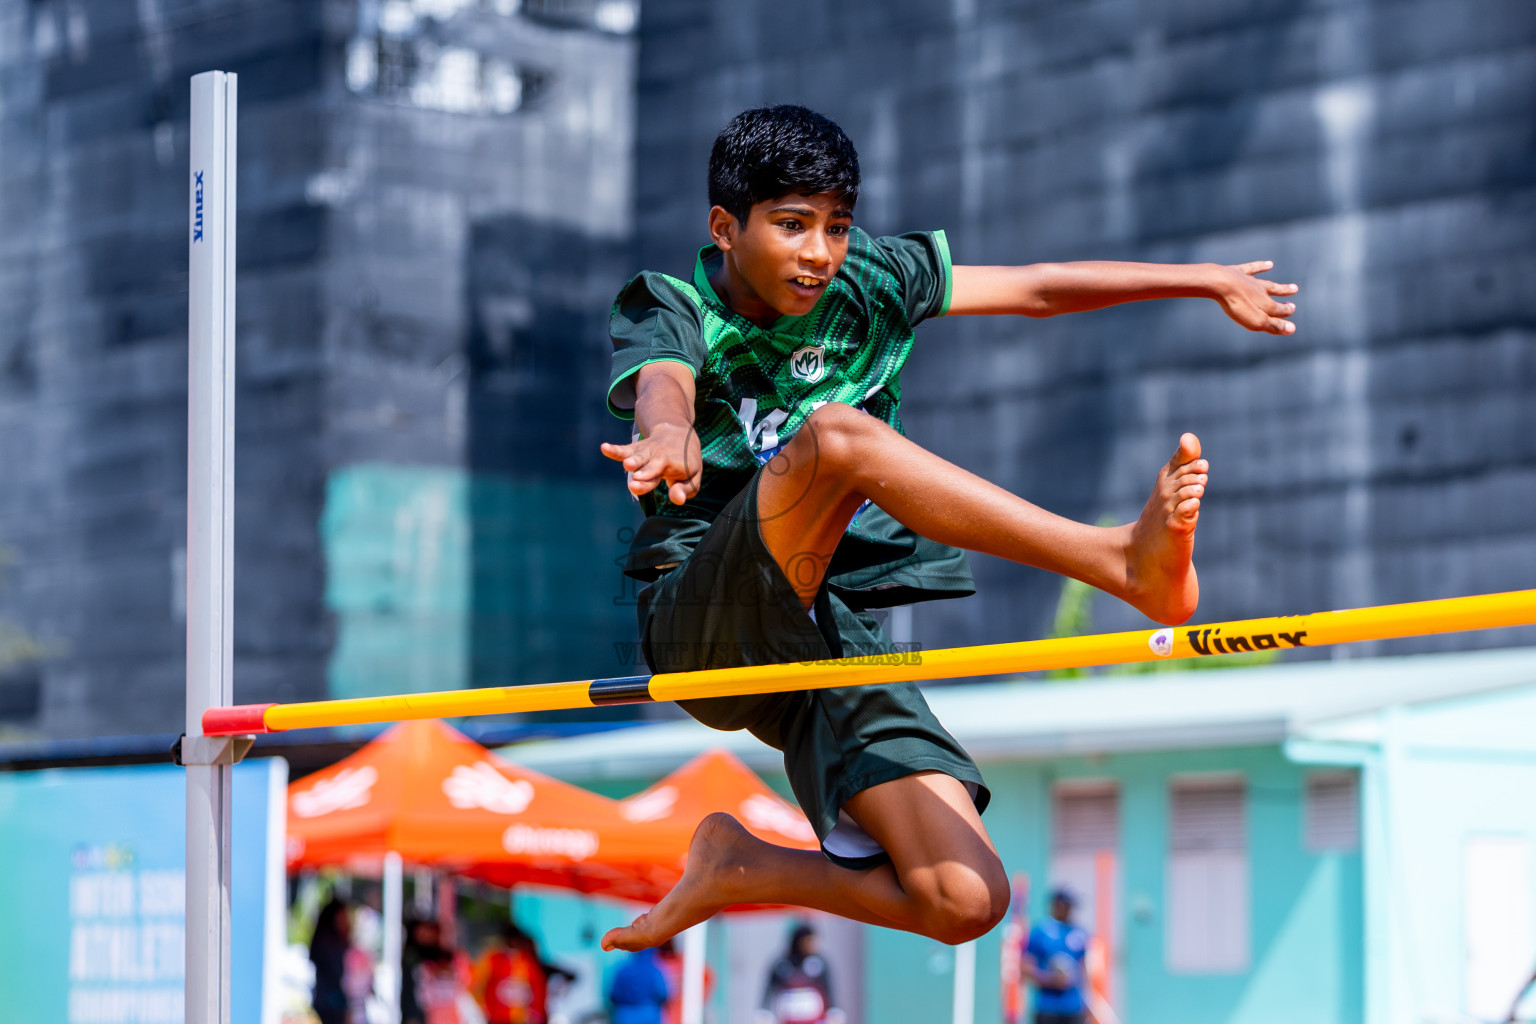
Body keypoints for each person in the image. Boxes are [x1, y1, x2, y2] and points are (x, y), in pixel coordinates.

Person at [598, 105, 1298, 952]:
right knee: (839, 436)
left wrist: (1203, 279)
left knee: (965, 897)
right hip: (707, 624)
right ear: (725, 226)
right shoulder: (673, 306)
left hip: (825, 639)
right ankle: (1114, 560)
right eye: (791, 227)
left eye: (837, 227)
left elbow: (1037, 288)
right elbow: (664, 383)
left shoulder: (874, 282)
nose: (820, 254)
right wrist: (666, 431)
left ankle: (743, 866)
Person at [1024, 888, 1089, 1024]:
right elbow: (1026, 968)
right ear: (1057, 905)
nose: (1070, 909)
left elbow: (1083, 970)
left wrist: (1087, 1002)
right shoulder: (1040, 932)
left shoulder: (1079, 933)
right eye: (1067, 905)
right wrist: (1051, 979)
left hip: (1073, 1007)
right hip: (1048, 1007)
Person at [759, 923, 842, 1024]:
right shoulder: (782, 963)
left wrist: (833, 1010)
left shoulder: (819, 963)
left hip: (814, 1018)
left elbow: (829, 987)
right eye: (808, 941)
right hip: (788, 1018)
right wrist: (765, 1010)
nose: (812, 945)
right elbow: (770, 988)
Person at [471, 921, 549, 1024]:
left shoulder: (527, 962)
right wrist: (481, 1009)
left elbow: (538, 989)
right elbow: (476, 984)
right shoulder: (492, 958)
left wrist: (535, 1013)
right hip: (494, 1019)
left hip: (519, 1019)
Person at [309, 898, 353, 1024]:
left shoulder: (332, 942)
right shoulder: (328, 943)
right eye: (343, 916)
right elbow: (340, 973)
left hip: (329, 1002)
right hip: (331, 1003)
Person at [608, 947, 671, 1024]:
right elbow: (663, 994)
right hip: (649, 1014)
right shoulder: (655, 969)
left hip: (625, 1015)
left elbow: (614, 995)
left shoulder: (623, 968)